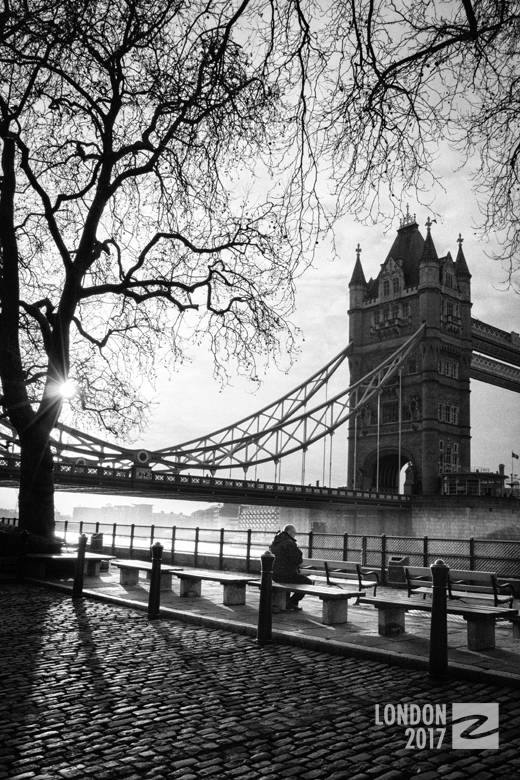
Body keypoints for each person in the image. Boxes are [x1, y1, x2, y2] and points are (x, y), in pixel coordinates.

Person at [269, 524, 313, 611]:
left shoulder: (276, 542)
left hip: (275, 574)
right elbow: (298, 559)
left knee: (287, 582)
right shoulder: (289, 543)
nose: (294, 536)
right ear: (290, 532)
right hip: (286, 574)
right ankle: (292, 602)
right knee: (307, 582)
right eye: (294, 534)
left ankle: (285, 603)